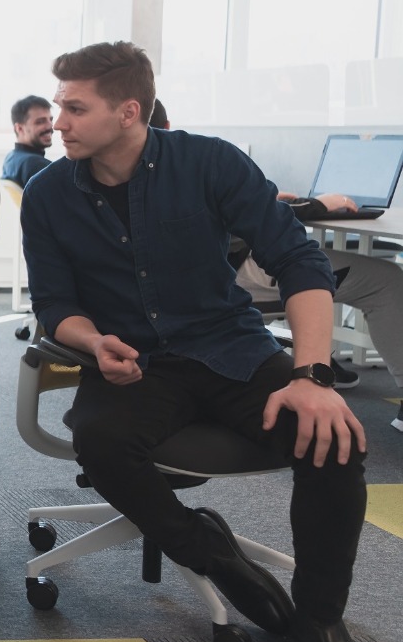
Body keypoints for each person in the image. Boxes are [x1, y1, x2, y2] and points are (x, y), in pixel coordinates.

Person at [21, 42, 383, 642]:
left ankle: (320, 623)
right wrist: (92, 341)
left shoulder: (209, 163)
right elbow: (54, 304)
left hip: (228, 347)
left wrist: (313, 376)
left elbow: (299, 261)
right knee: (100, 441)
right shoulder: (48, 195)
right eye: (58, 106)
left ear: (128, 112)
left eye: (74, 108)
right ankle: (209, 552)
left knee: (336, 443)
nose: (58, 122)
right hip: (136, 364)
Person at [150, 99, 403, 429]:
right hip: (236, 272)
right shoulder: (192, 162)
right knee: (385, 279)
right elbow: (270, 230)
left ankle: (318, 356)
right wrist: (315, 204)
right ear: (168, 128)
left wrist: (273, 198)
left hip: (195, 281)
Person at [2, 94, 53, 188]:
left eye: (50, 120)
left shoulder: (10, 158)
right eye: (40, 122)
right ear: (19, 128)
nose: (50, 126)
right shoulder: (37, 165)